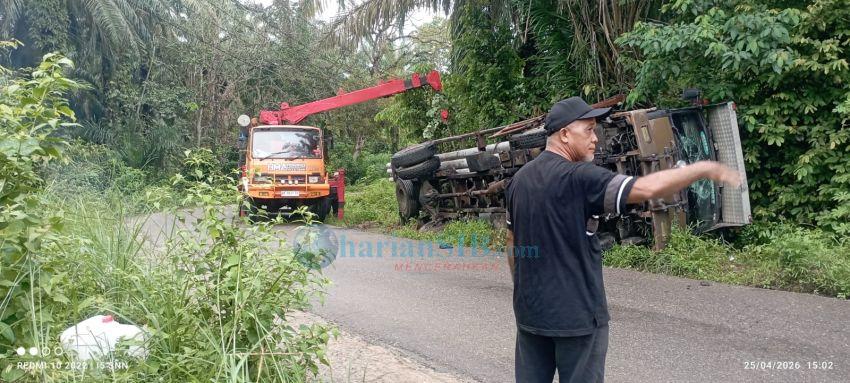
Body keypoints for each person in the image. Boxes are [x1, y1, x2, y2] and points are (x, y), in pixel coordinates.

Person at [504, 97, 741, 382]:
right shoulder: (580, 177)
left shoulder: (519, 180)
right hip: (577, 319)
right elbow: (644, 188)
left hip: (531, 315)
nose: (595, 138)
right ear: (565, 134)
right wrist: (702, 169)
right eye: (588, 130)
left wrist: (525, 290)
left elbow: (512, 243)